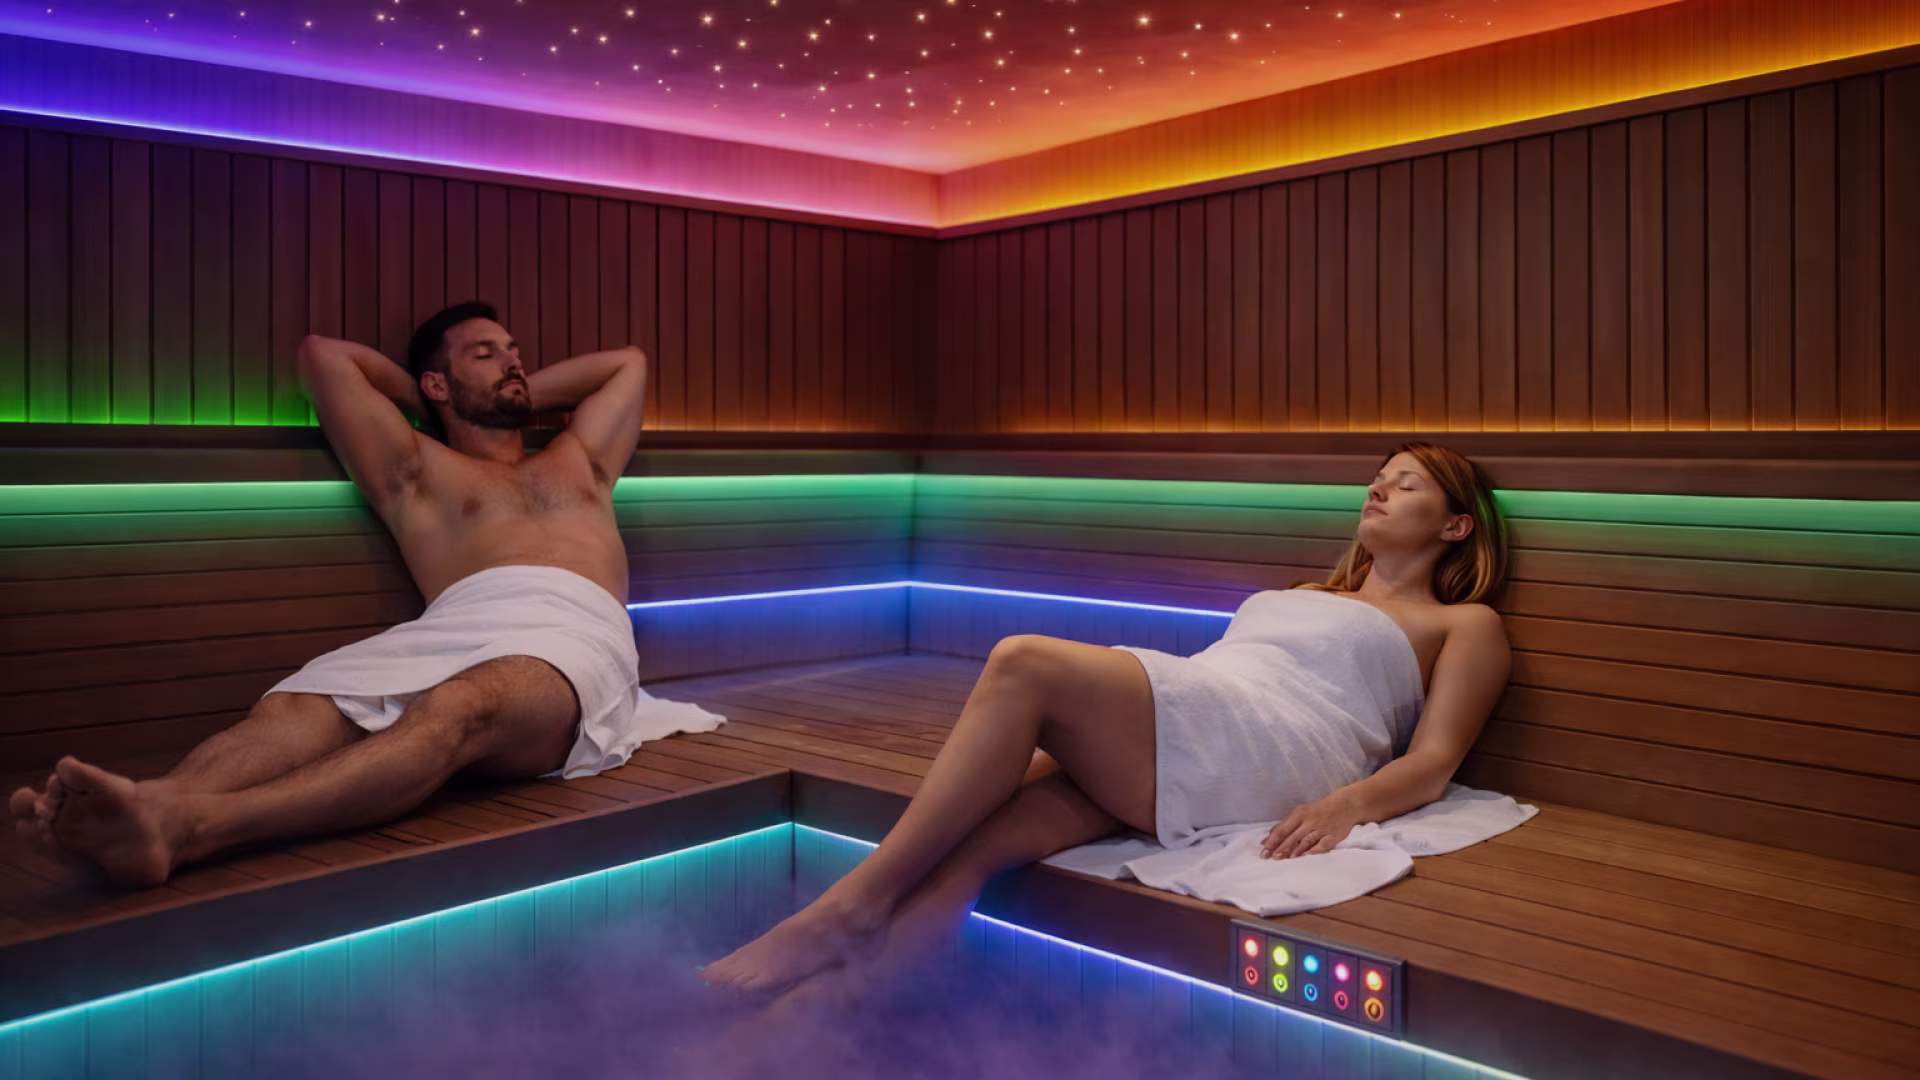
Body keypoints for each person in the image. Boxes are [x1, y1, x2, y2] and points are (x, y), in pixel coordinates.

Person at [702, 442, 1512, 997]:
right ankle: (808, 1030)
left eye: (1407, 483)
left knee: (1024, 662)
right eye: (1380, 476)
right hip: (1215, 715)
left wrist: (1346, 804)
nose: (1379, 487)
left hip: (1286, 745)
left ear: (1456, 525)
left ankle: (847, 906)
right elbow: (1235, 671)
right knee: (970, 854)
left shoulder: (1463, 624)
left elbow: (1436, 760)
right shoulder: (1310, 595)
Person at [10, 302, 717, 887]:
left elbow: (629, 363)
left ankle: (195, 829)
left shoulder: (580, 461)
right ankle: (151, 806)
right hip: (460, 619)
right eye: (486, 354)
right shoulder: (417, 469)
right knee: (295, 706)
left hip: (575, 631)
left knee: (459, 704)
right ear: (436, 385)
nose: (514, 363)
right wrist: (432, 397)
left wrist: (498, 386)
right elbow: (324, 356)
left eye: (515, 351)